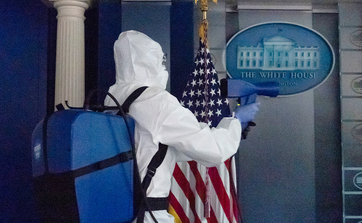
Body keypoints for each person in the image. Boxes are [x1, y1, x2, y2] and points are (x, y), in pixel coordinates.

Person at [104, 30, 259, 223]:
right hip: (149, 215)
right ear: (151, 61)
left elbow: (159, 148)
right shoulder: (156, 101)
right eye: (161, 60)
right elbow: (213, 149)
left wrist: (229, 127)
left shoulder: (113, 100)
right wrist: (235, 121)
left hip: (117, 211)